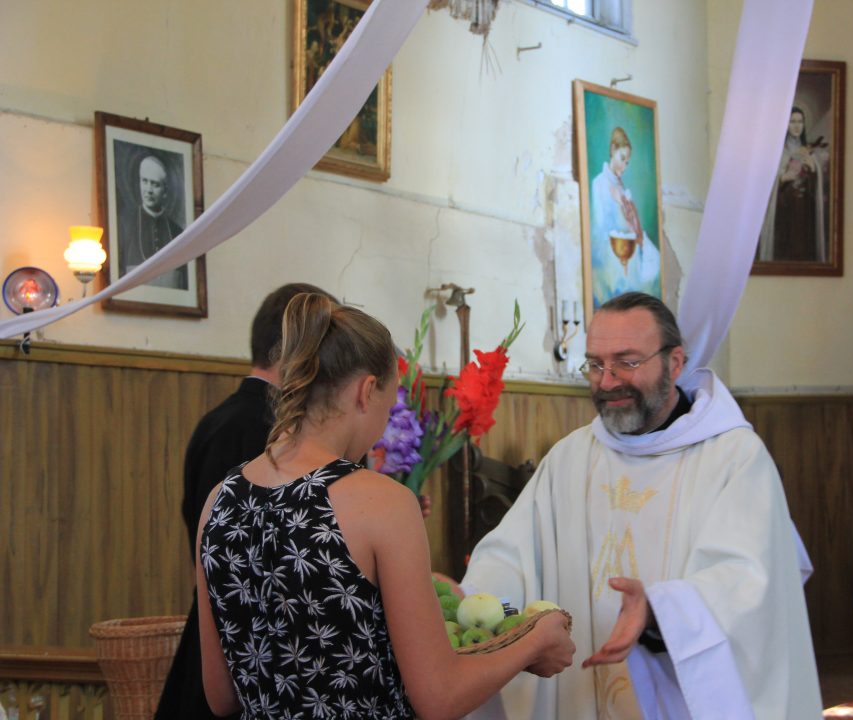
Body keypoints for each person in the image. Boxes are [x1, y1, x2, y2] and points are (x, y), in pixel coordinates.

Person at [195, 294, 576, 719]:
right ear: (366, 391)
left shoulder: (220, 499)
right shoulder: (382, 503)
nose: (382, 429)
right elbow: (440, 697)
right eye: (390, 406)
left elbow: (221, 696)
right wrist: (535, 642)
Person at [461, 292, 821, 719]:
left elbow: (749, 583)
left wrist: (657, 611)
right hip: (579, 695)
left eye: (627, 362)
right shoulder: (572, 456)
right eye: (595, 364)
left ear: (674, 362)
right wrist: (472, 600)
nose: (607, 381)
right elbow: (513, 555)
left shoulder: (734, 458)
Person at [156, 282, 336, 720]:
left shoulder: (219, 420)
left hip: (222, 641)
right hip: (252, 657)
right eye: (331, 348)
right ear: (299, 350)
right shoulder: (273, 432)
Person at [589, 127, 661, 309]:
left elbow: (634, 224)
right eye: (622, 159)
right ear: (613, 149)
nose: (624, 166)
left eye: (627, 162)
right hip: (612, 254)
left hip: (630, 250)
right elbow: (599, 228)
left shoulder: (622, 187)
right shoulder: (599, 183)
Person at [758, 106, 828, 263]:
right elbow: (765, 182)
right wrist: (783, 178)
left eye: (800, 122)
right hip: (784, 209)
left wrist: (813, 169)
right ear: (786, 124)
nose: (797, 126)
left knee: (803, 248)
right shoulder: (778, 152)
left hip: (805, 211)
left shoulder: (808, 151)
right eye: (792, 122)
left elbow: (815, 185)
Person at [117, 154, 188, 289]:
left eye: (155, 184)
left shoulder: (177, 232)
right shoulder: (125, 224)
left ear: (165, 191)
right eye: (145, 181)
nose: (148, 190)